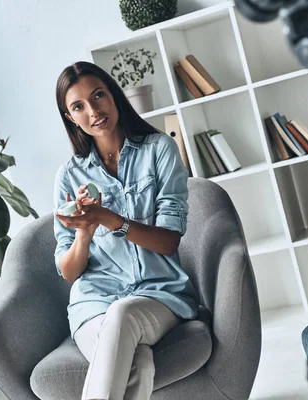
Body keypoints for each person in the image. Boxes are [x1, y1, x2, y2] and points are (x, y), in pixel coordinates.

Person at [53, 61, 199, 400]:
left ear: (114, 95)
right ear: (70, 117)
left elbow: (167, 242)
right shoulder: (68, 176)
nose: (93, 111)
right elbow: (69, 271)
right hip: (92, 305)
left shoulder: (159, 149)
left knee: (124, 313)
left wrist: (107, 217)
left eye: (98, 96)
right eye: (78, 106)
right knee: (140, 365)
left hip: (159, 296)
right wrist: (85, 231)